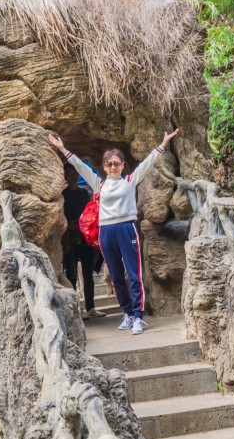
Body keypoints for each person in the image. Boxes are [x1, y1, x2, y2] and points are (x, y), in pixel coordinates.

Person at [48, 129, 180, 335]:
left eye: (117, 164)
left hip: (126, 229)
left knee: (134, 274)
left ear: (122, 165)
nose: (113, 167)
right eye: (109, 164)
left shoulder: (129, 181)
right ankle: (127, 313)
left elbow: (147, 163)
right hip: (106, 231)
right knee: (117, 276)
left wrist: (163, 144)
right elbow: (80, 167)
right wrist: (63, 149)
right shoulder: (98, 184)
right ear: (104, 167)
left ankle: (138, 316)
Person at [61, 164, 104, 319]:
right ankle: (76, 309)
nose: (73, 176)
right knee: (72, 275)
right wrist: (68, 224)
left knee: (88, 274)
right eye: (69, 173)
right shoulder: (62, 195)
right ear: (65, 176)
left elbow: (90, 211)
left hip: (85, 237)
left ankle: (90, 307)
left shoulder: (84, 193)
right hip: (70, 239)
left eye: (75, 173)